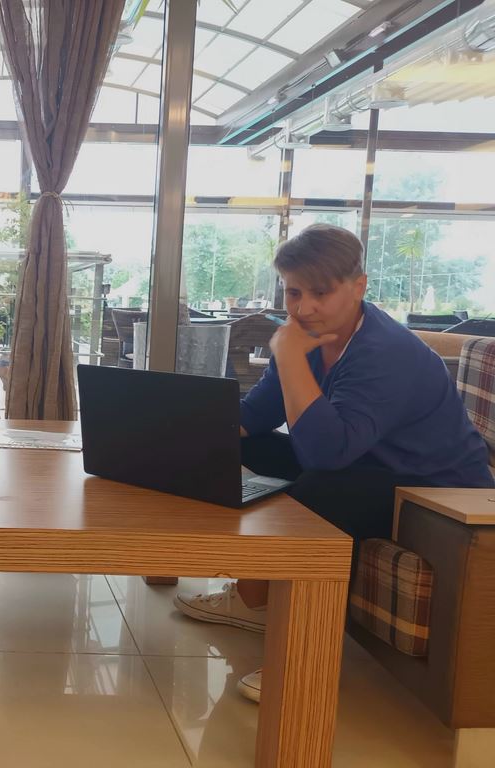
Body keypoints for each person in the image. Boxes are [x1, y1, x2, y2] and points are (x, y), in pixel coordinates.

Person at [172, 224, 494, 703]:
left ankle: (302, 655)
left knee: (323, 491)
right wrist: (178, 429)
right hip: (364, 464)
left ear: (358, 286)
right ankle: (253, 600)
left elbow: (328, 454)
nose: (303, 308)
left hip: (434, 492)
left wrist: (289, 358)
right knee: (239, 448)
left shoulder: (385, 352)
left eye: (320, 292)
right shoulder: (307, 339)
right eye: (293, 292)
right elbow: (255, 417)